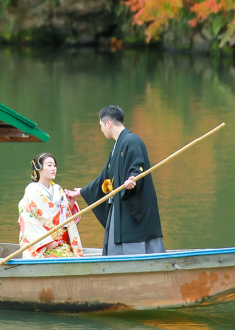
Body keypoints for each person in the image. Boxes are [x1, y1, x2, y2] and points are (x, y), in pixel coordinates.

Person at [67, 105, 164, 256]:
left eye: (101, 125)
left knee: (135, 244)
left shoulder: (132, 140)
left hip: (132, 207)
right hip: (119, 206)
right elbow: (105, 177)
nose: (101, 129)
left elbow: (137, 167)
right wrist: (82, 191)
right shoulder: (117, 146)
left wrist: (132, 179)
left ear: (109, 124)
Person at [18, 152, 84, 258]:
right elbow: (27, 220)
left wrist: (70, 203)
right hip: (39, 245)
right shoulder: (31, 191)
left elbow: (66, 218)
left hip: (60, 243)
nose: (53, 168)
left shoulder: (58, 190)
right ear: (39, 168)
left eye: (54, 165)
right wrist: (46, 242)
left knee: (68, 255)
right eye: (49, 165)